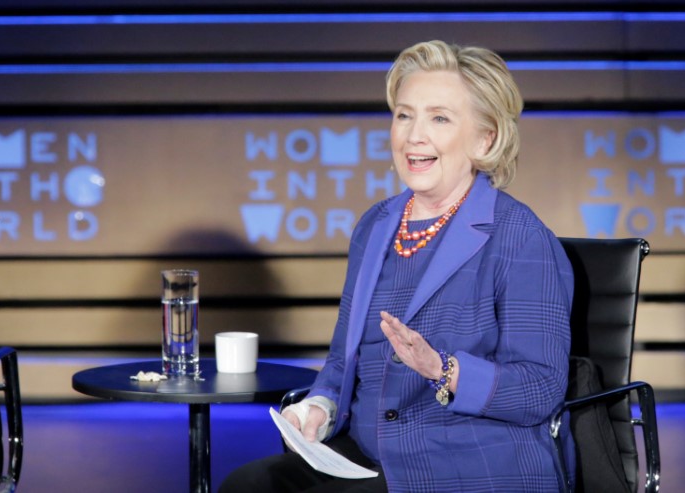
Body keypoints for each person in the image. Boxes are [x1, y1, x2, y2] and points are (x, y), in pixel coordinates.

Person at [220, 40, 575, 492]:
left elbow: (540, 389)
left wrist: (444, 370)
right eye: (404, 115)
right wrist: (320, 407)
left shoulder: (521, 237)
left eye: (439, 118)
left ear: (485, 138)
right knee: (247, 485)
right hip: (369, 454)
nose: (413, 136)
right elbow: (342, 361)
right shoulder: (377, 224)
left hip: (469, 462)